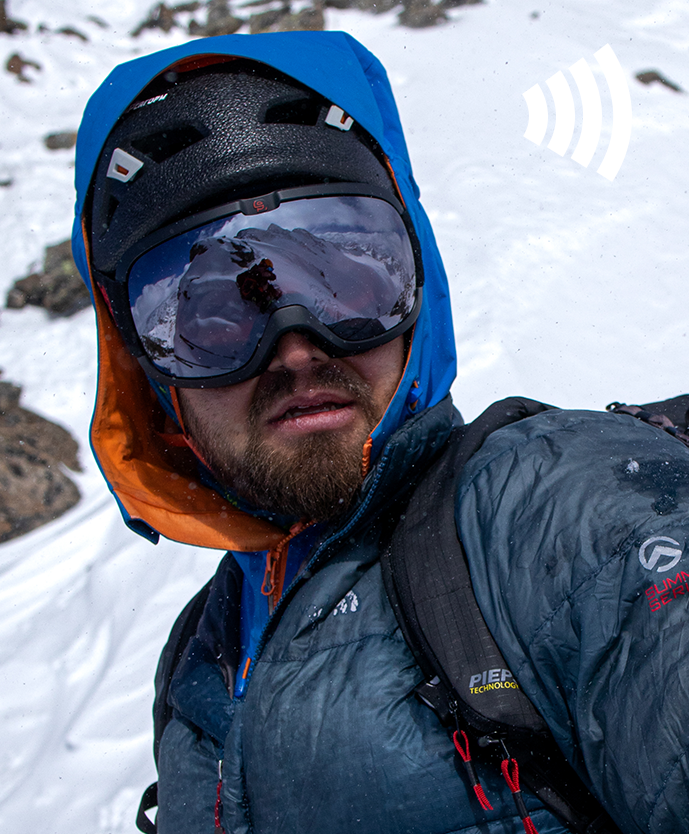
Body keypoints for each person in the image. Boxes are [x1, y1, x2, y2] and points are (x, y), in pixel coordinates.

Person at [72, 31, 689, 834]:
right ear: (148, 369)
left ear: (416, 287)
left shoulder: (559, 513)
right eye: (214, 320)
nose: (295, 347)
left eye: (348, 283)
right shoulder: (201, 658)